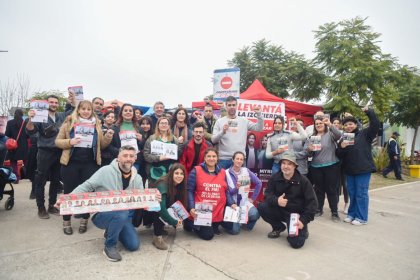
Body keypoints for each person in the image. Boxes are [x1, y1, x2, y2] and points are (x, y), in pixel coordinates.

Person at [55, 146, 161, 262]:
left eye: (131, 156)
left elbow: (142, 199)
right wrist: (67, 199)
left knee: (133, 245)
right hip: (101, 214)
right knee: (121, 213)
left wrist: (153, 199)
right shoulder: (105, 171)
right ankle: (109, 246)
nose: (128, 159)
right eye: (125, 156)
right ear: (118, 157)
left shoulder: (138, 178)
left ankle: (112, 230)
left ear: (135, 158)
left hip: (124, 216)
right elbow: (87, 186)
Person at [55, 100, 114, 235]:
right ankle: (66, 221)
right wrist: (70, 141)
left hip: (90, 164)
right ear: (79, 110)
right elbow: (58, 142)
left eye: (89, 109)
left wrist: (108, 137)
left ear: (92, 111)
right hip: (71, 164)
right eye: (83, 109)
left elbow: (101, 145)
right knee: (69, 192)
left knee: (88, 193)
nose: (86, 111)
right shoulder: (69, 121)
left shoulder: (97, 124)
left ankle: (84, 220)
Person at [26, 94, 74, 219]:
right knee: (40, 181)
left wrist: (73, 99)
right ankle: (41, 208)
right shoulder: (39, 116)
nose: (53, 104)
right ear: (46, 104)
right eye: (51, 102)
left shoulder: (61, 116)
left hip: (59, 151)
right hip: (44, 152)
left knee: (55, 181)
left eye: (56, 102)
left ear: (58, 105)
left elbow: (75, 110)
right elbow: (31, 130)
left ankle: (52, 205)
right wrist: (30, 119)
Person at [258, 152, 318, 249]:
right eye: (283, 163)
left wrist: (303, 220)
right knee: (262, 207)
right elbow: (267, 195)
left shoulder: (303, 181)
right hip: (280, 210)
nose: (286, 166)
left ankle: (303, 229)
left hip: (295, 215)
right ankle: (278, 227)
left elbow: (313, 203)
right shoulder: (274, 178)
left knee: (296, 243)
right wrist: (276, 200)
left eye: (289, 164)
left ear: (295, 166)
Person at [336, 107, 380, 225]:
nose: (348, 127)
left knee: (361, 193)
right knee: (352, 193)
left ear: (356, 124)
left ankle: (361, 217)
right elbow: (339, 155)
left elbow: (375, 124)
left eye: (351, 124)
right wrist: (342, 147)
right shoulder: (344, 138)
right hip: (350, 170)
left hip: (363, 169)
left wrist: (369, 112)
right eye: (346, 125)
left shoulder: (365, 134)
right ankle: (352, 214)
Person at [185, 148, 235, 240]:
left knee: (232, 226)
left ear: (217, 158)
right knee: (208, 235)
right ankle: (189, 223)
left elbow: (226, 190)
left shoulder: (223, 172)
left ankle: (214, 225)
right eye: (209, 156)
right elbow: (189, 190)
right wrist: (191, 207)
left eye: (214, 156)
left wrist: (232, 203)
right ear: (204, 158)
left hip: (217, 209)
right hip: (202, 210)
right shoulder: (196, 170)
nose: (211, 159)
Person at [212, 96, 263, 169]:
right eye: (229, 105)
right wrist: (222, 132)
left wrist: (259, 115)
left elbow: (259, 128)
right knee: (222, 180)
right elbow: (213, 139)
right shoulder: (219, 121)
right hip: (224, 160)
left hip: (239, 159)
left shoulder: (244, 121)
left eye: (233, 105)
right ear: (226, 106)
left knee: (239, 181)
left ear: (237, 106)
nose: (231, 107)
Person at [308, 115, 342, 222]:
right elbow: (309, 153)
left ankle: (334, 212)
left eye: (320, 123)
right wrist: (309, 149)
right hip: (316, 166)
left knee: (331, 190)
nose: (318, 125)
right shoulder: (312, 137)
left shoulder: (330, 133)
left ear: (324, 124)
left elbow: (339, 134)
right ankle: (319, 209)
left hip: (331, 165)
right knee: (319, 190)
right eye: (316, 124)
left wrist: (330, 125)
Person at [151, 163, 187, 250]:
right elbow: (161, 209)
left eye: (182, 174)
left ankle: (162, 226)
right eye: (176, 173)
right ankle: (157, 236)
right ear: (171, 174)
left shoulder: (178, 185)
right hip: (151, 211)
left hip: (160, 208)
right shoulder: (163, 184)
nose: (179, 176)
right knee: (159, 208)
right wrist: (174, 222)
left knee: (172, 203)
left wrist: (180, 217)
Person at [224, 151, 262, 234]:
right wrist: (236, 188)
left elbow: (259, 183)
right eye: (237, 158)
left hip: (244, 202)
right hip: (232, 204)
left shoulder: (246, 170)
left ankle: (246, 225)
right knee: (235, 231)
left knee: (255, 213)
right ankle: (226, 223)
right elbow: (226, 192)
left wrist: (252, 199)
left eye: (241, 159)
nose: (239, 161)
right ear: (233, 159)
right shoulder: (226, 173)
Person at [144, 116, 182, 184]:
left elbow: (178, 155)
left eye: (166, 123)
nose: (164, 125)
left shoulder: (174, 139)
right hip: (155, 171)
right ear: (158, 125)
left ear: (168, 126)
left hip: (170, 171)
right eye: (161, 123)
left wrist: (180, 144)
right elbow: (146, 155)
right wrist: (159, 158)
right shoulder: (152, 138)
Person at [107, 104, 142, 170]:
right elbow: (109, 145)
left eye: (130, 111)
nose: (128, 112)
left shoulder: (139, 128)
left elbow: (143, 146)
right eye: (125, 110)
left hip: (134, 161)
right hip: (118, 160)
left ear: (133, 113)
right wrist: (121, 152)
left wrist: (141, 140)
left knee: (132, 179)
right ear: (121, 113)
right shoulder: (114, 128)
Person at [5, 109, 29, 183]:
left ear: (14, 114)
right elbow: (28, 135)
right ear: (22, 114)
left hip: (13, 145)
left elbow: (7, 134)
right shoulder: (26, 123)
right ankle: (28, 175)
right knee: (25, 160)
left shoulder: (9, 122)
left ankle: (16, 177)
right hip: (23, 145)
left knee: (13, 162)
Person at [331, 117, 349, 213]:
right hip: (335, 163)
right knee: (336, 185)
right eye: (334, 123)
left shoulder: (344, 134)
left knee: (345, 185)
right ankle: (336, 204)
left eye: (338, 123)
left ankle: (346, 203)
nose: (336, 124)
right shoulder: (330, 134)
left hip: (345, 163)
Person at [138, 116, 154, 186]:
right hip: (139, 161)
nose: (145, 126)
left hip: (149, 161)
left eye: (147, 124)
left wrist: (142, 140)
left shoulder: (153, 135)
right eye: (143, 124)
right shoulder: (137, 133)